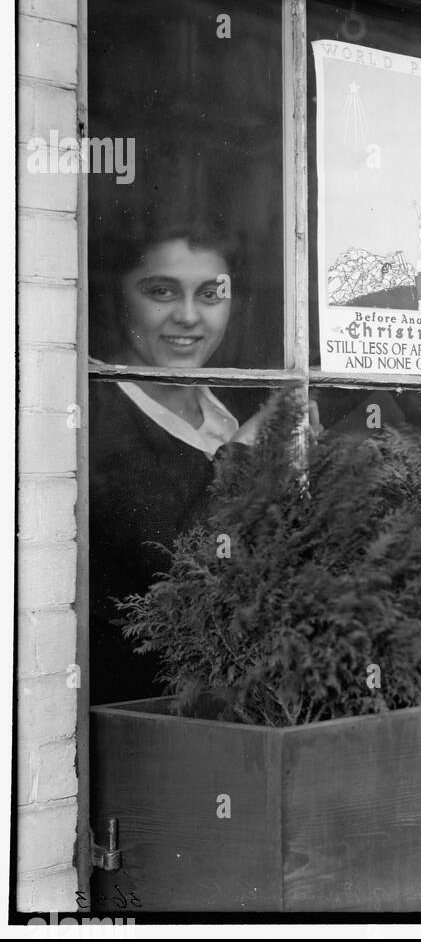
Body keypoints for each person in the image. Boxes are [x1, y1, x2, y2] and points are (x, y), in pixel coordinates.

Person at [88, 217, 260, 704]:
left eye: (210, 294)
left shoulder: (234, 403)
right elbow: (181, 579)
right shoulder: (97, 416)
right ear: (117, 296)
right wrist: (249, 456)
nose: (188, 317)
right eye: (162, 292)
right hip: (143, 717)